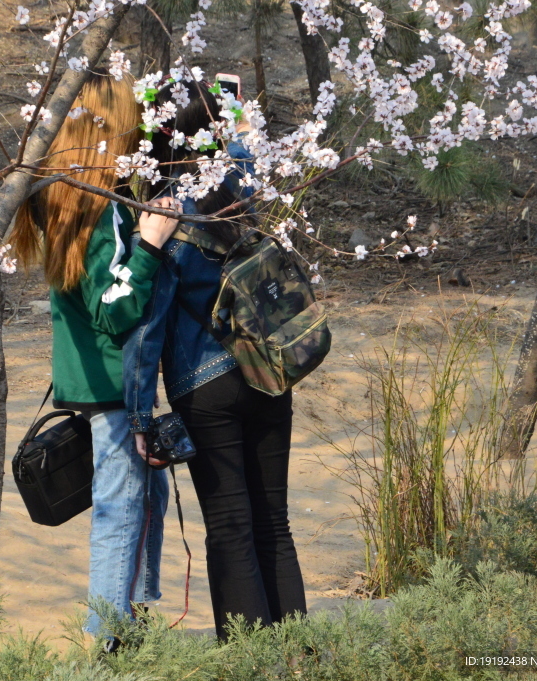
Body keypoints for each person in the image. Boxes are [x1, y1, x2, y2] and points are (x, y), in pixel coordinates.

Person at [123, 81, 307, 640]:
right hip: (269, 370)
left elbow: (147, 330)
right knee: (273, 521)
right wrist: (234, 106)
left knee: (230, 525)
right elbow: (245, 146)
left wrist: (138, 415)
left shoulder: (162, 215)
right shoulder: (242, 188)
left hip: (205, 386)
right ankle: (297, 655)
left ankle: (249, 662)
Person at [10, 68, 180, 645]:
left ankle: (130, 617)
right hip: (112, 378)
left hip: (85, 375)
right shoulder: (96, 206)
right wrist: (152, 246)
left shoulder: (56, 195)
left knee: (142, 496)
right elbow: (114, 308)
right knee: (121, 506)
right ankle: (112, 637)